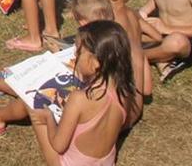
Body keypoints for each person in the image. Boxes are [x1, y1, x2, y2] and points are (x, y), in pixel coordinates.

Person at [0, 0, 117, 134]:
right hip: (93, 100)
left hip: (79, 104)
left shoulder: (91, 46)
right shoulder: (115, 39)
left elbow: (82, 76)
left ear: (84, 23)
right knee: (41, 81)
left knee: (31, 99)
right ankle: (1, 82)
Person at [27, 20, 137, 166]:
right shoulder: (125, 92)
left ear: (96, 63)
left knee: (31, 102)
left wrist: (49, 118)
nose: (74, 54)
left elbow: (58, 145)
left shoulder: (79, 99)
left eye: (78, 51)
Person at [93, 0, 150, 121]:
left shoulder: (110, 27)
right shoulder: (132, 14)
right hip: (136, 108)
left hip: (116, 114)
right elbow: (147, 90)